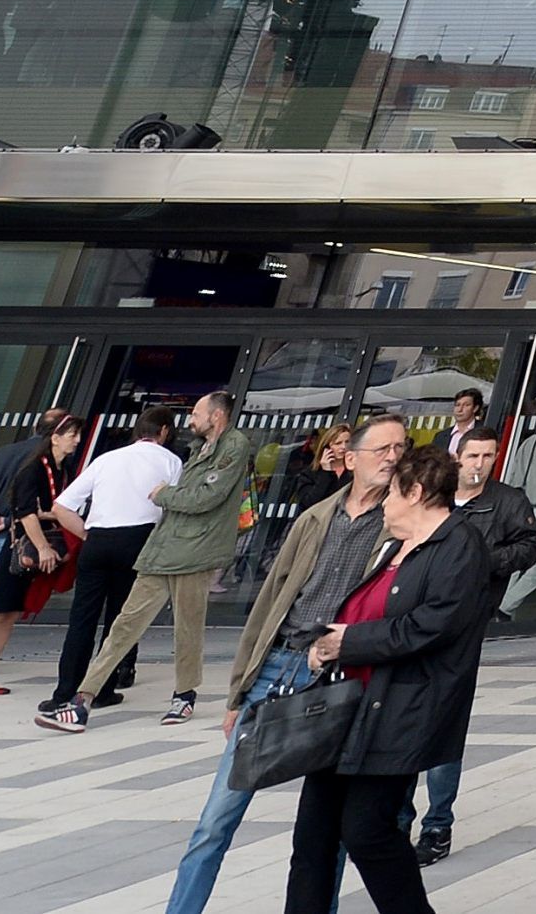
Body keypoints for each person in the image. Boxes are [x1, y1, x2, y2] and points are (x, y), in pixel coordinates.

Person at [160, 409, 405, 914]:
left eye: (399, 449)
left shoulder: (400, 525)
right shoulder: (316, 517)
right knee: (217, 819)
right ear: (350, 456)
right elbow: (271, 602)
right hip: (278, 668)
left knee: (324, 830)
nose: (392, 458)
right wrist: (237, 692)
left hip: (338, 679)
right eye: (381, 449)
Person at [288, 438, 498, 914]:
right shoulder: (395, 546)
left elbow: (430, 626)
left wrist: (351, 642)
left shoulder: (458, 545)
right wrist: (327, 645)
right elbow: (366, 612)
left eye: (392, 494)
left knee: (368, 832)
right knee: (313, 837)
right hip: (347, 707)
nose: (384, 503)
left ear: (418, 492)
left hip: (397, 712)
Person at [411, 428, 536, 862]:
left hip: (466, 622)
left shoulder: (507, 500)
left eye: (488, 455)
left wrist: (484, 562)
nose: (479, 463)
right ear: (457, 456)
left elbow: (530, 544)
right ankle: (396, 817)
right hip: (417, 620)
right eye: (473, 455)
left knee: (445, 722)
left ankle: (437, 824)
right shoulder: (436, 495)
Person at [97, 390, 256, 727]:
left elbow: (206, 497)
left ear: (216, 416)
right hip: (163, 549)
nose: (189, 421)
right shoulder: (198, 450)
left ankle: (185, 694)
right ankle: (83, 695)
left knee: (187, 628)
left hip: (195, 552)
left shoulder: (234, 445)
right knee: (125, 624)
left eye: (196, 414)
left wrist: (164, 494)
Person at [41, 403, 186, 730]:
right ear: (164, 431)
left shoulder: (106, 459)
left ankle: (64, 690)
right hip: (138, 541)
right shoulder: (171, 461)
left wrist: (87, 534)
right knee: (120, 620)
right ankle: (103, 687)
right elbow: (172, 507)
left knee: (82, 618)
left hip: (98, 540)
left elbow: (62, 506)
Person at [0, 407, 83, 697]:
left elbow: (42, 510)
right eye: (72, 435)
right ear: (55, 437)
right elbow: (25, 512)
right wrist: (44, 546)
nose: (77, 441)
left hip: (25, 546)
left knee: (9, 616)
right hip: (16, 548)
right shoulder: (34, 467)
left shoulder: (61, 469)